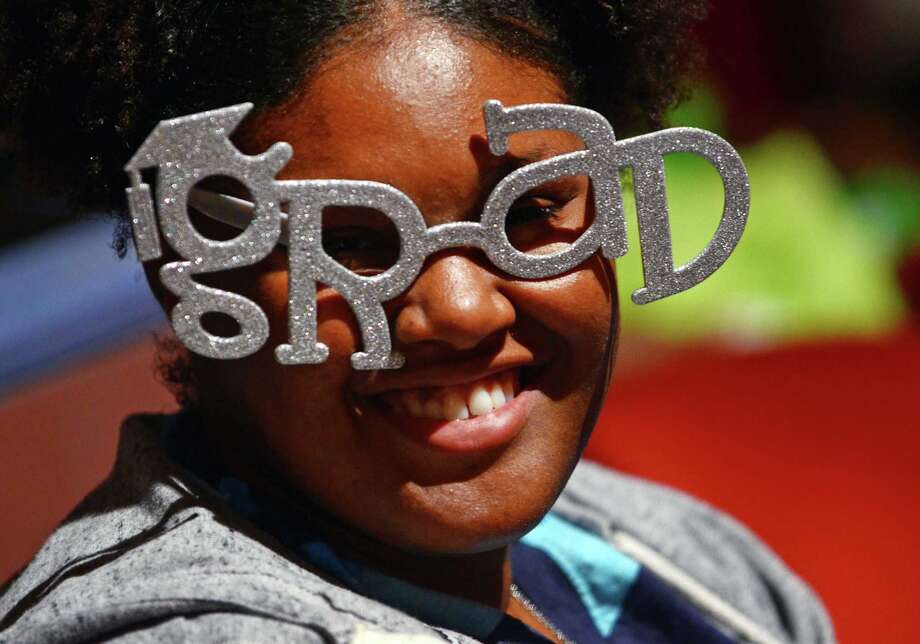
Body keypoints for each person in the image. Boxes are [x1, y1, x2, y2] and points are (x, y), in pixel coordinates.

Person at [0, 2, 834, 642]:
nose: (465, 312)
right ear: (189, 268)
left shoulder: (667, 549)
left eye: (531, 212)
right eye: (355, 243)